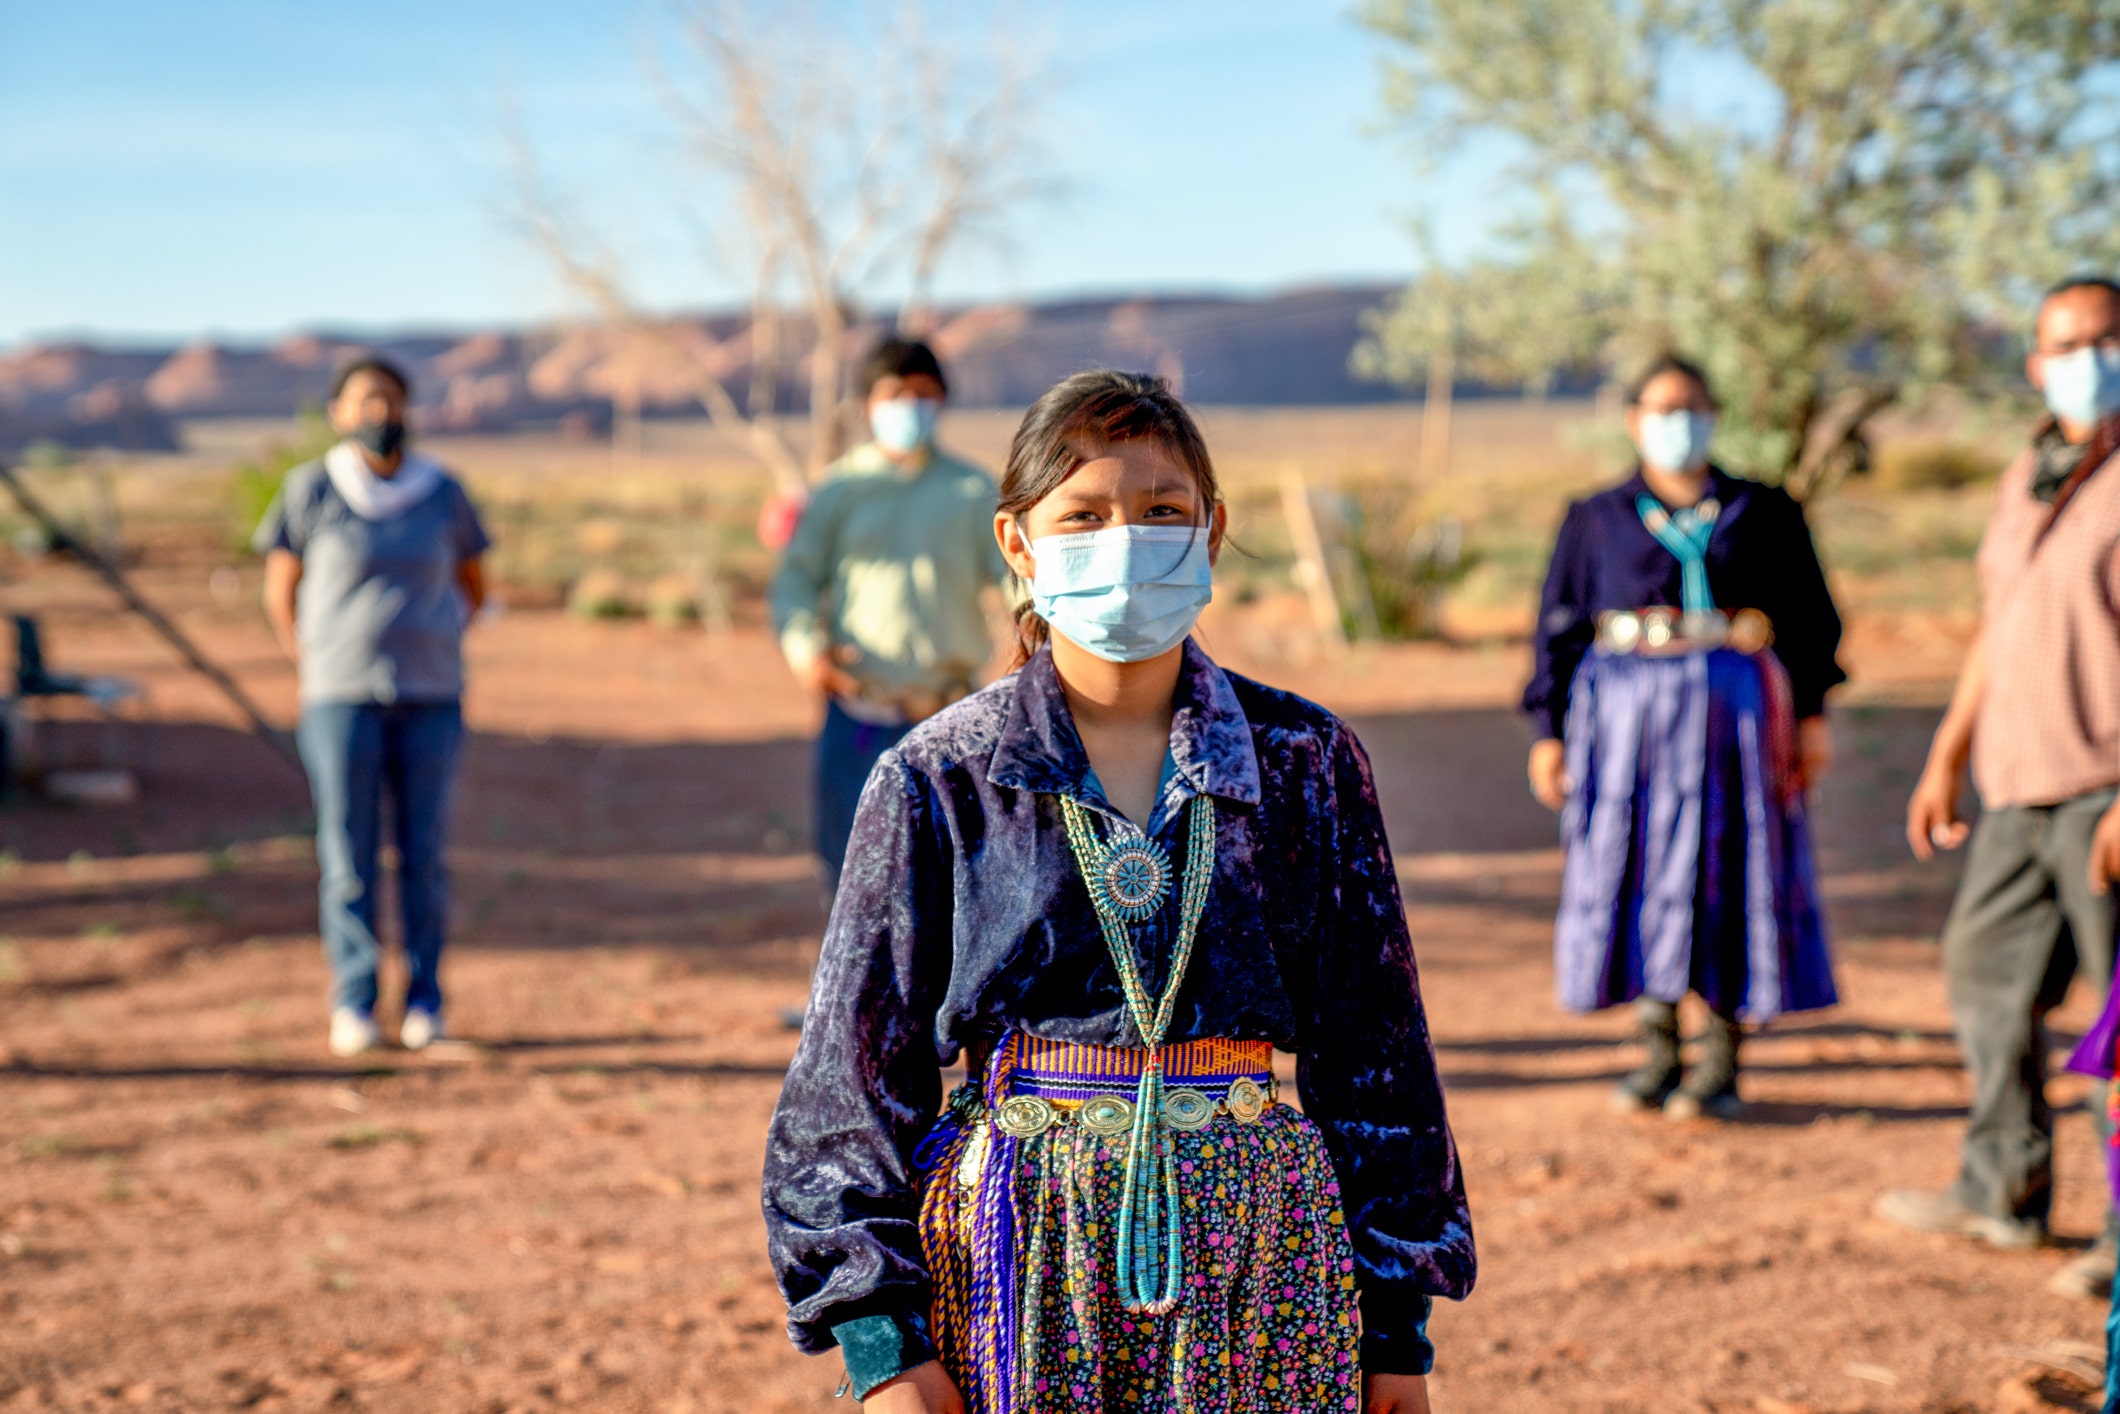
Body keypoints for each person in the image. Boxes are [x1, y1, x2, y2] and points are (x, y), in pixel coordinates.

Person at [762, 371, 1474, 1414]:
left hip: (1262, 1262)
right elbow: (849, 1082)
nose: (1125, 540)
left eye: (1161, 513)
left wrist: (1394, 1329)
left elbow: (1376, 1054)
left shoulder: (1301, 759)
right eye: (1083, 516)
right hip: (1017, 1261)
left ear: (1212, 532)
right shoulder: (938, 776)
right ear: (1016, 543)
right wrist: (879, 1346)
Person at [1877, 276, 2120, 1299]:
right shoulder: (2028, 470)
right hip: (2018, 781)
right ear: (2032, 363)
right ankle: (2000, 1186)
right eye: (2064, 342)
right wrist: (1944, 750)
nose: (2085, 356)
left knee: (2118, 1015)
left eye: (2105, 339)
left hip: (2106, 785)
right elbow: (1998, 621)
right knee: (1982, 968)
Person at [1523, 355, 1845, 1121]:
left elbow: (1810, 621)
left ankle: (1724, 1059)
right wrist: (1550, 731)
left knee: (1734, 864)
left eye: (1694, 407)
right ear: (1633, 419)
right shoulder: (1595, 516)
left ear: (1715, 416)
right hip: (1625, 722)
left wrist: (1811, 716)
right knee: (1634, 865)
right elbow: (1557, 630)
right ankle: (1659, 1045)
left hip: (1736, 719)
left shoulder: (1763, 510)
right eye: (1663, 408)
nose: (1679, 423)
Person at [255, 356, 490, 1058]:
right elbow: (281, 590)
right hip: (339, 698)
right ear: (338, 413)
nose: (378, 413)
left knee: (423, 853)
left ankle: (425, 1003)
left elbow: (474, 584)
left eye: (389, 398)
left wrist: (434, 642)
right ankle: (354, 1003)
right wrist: (317, 659)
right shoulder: (312, 489)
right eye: (364, 401)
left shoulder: (442, 491)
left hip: (430, 696)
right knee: (348, 853)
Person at [768, 338, 1012, 897]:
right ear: (867, 406)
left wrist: (1035, 648)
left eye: (924, 394)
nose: (911, 407)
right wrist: (809, 652)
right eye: (896, 394)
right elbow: (795, 582)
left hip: (951, 719)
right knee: (853, 882)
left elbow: (1016, 582)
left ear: (943, 401)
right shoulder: (838, 491)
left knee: (958, 885)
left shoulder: (973, 492)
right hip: (859, 715)